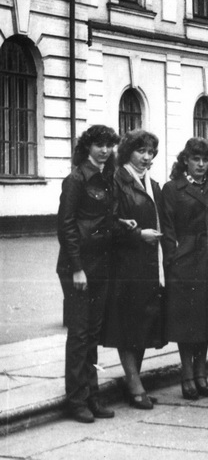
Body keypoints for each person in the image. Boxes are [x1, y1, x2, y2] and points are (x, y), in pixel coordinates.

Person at [56, 125, 122, 423]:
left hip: (101, 264)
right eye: (99, 145)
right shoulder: (76, 179)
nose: (105, 150)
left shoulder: (107, 177)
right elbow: (66, 226)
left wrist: (122, 225)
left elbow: (104, 218)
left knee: (93, 334)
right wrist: (77, 268)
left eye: (109, 145)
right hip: (79, 268)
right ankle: (76, 400)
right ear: (88, 147)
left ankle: (92, 396)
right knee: (80, 335)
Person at [162, 137, 208, 400]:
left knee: (207, 319)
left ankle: (202, 375)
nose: (201, 164)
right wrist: (172, 261)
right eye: (196, 159)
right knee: (187, 320)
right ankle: (187, 375)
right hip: (185, 259)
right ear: (185, 161)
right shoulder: (173, 188)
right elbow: (167, 229)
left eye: (205, 160)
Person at [102, 129, 166, 410]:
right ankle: (134, 385)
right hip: (126, 265)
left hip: (148, 265)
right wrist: (138, 235)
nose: (147, 157)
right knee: (128, 325)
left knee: (141, 324)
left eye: (151, 152)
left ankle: (134, 382)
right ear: (128, 152)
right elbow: (108, 223)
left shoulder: (152, 183)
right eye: (141, 151)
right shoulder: (117, 181)